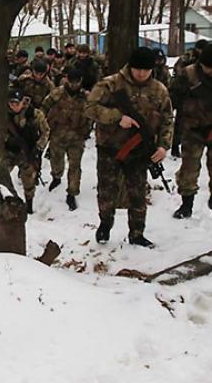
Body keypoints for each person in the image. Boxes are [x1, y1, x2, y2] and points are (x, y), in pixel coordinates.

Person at [85, 47, 173, 248]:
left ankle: (137, 233)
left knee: (137, 193)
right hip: (110, 147)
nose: (141, 73)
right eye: (137, 69)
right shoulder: (111, 83)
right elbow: (89, 108)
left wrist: (163, 146)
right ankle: (105, 224)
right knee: (107, 191)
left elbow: (168, 119)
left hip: (139, 151)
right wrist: (117, 117)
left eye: (146, 69)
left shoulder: (159, 90)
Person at [42, 68, 92, 210]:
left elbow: (93, 113)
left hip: (77, 136)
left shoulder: (86, 97)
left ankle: (72, 192)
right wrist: (44, 126)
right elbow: (44, 108)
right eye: (71, 82)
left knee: (75, 166)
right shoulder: (57, 93)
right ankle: (56, 177)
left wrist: (87, 128)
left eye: (77, 82)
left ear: (81, 81)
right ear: (67, 80)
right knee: (56, 159)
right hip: (58, 134)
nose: (74, 85)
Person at [171, 44, 212, 218]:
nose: (210, 71)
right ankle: (186, 205)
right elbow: (171, 98)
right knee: (189, 167)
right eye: (207, 67)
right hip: (192, 128)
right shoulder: (187, 74)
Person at [5, 90, 50, 214]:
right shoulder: (4, 115)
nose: (13, 106)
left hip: (28, 152)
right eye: (11, 103)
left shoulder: (35, 114)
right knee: (1, 175)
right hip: (9, 151)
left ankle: (29, 204)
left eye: (16, 103)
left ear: (23, 102)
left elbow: (45, 132)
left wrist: (39, 147)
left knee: (29, 179)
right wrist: (8, 140)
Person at [170, 39, 210, 157]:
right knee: (180, 122)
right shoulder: (187, 59)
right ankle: (175, 145)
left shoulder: (207, 58)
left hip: (203, 101)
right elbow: (178, 72)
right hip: (186, 94)